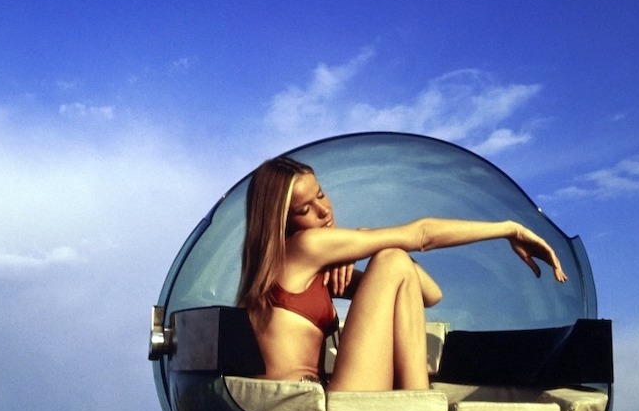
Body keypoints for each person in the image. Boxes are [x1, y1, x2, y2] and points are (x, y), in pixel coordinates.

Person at [236, 154, 568, 391]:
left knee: (394, 258)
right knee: (394, 257)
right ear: (281, 221)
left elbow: (428, 293)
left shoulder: (303, 271)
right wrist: (510, 229)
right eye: (305, 209)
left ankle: (416, 399)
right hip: (297, 406)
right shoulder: (305, 247)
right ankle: (418, 401)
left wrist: (364, 244)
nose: (324, 211)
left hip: (313, 397)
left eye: (321, 194)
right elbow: (420, 237)